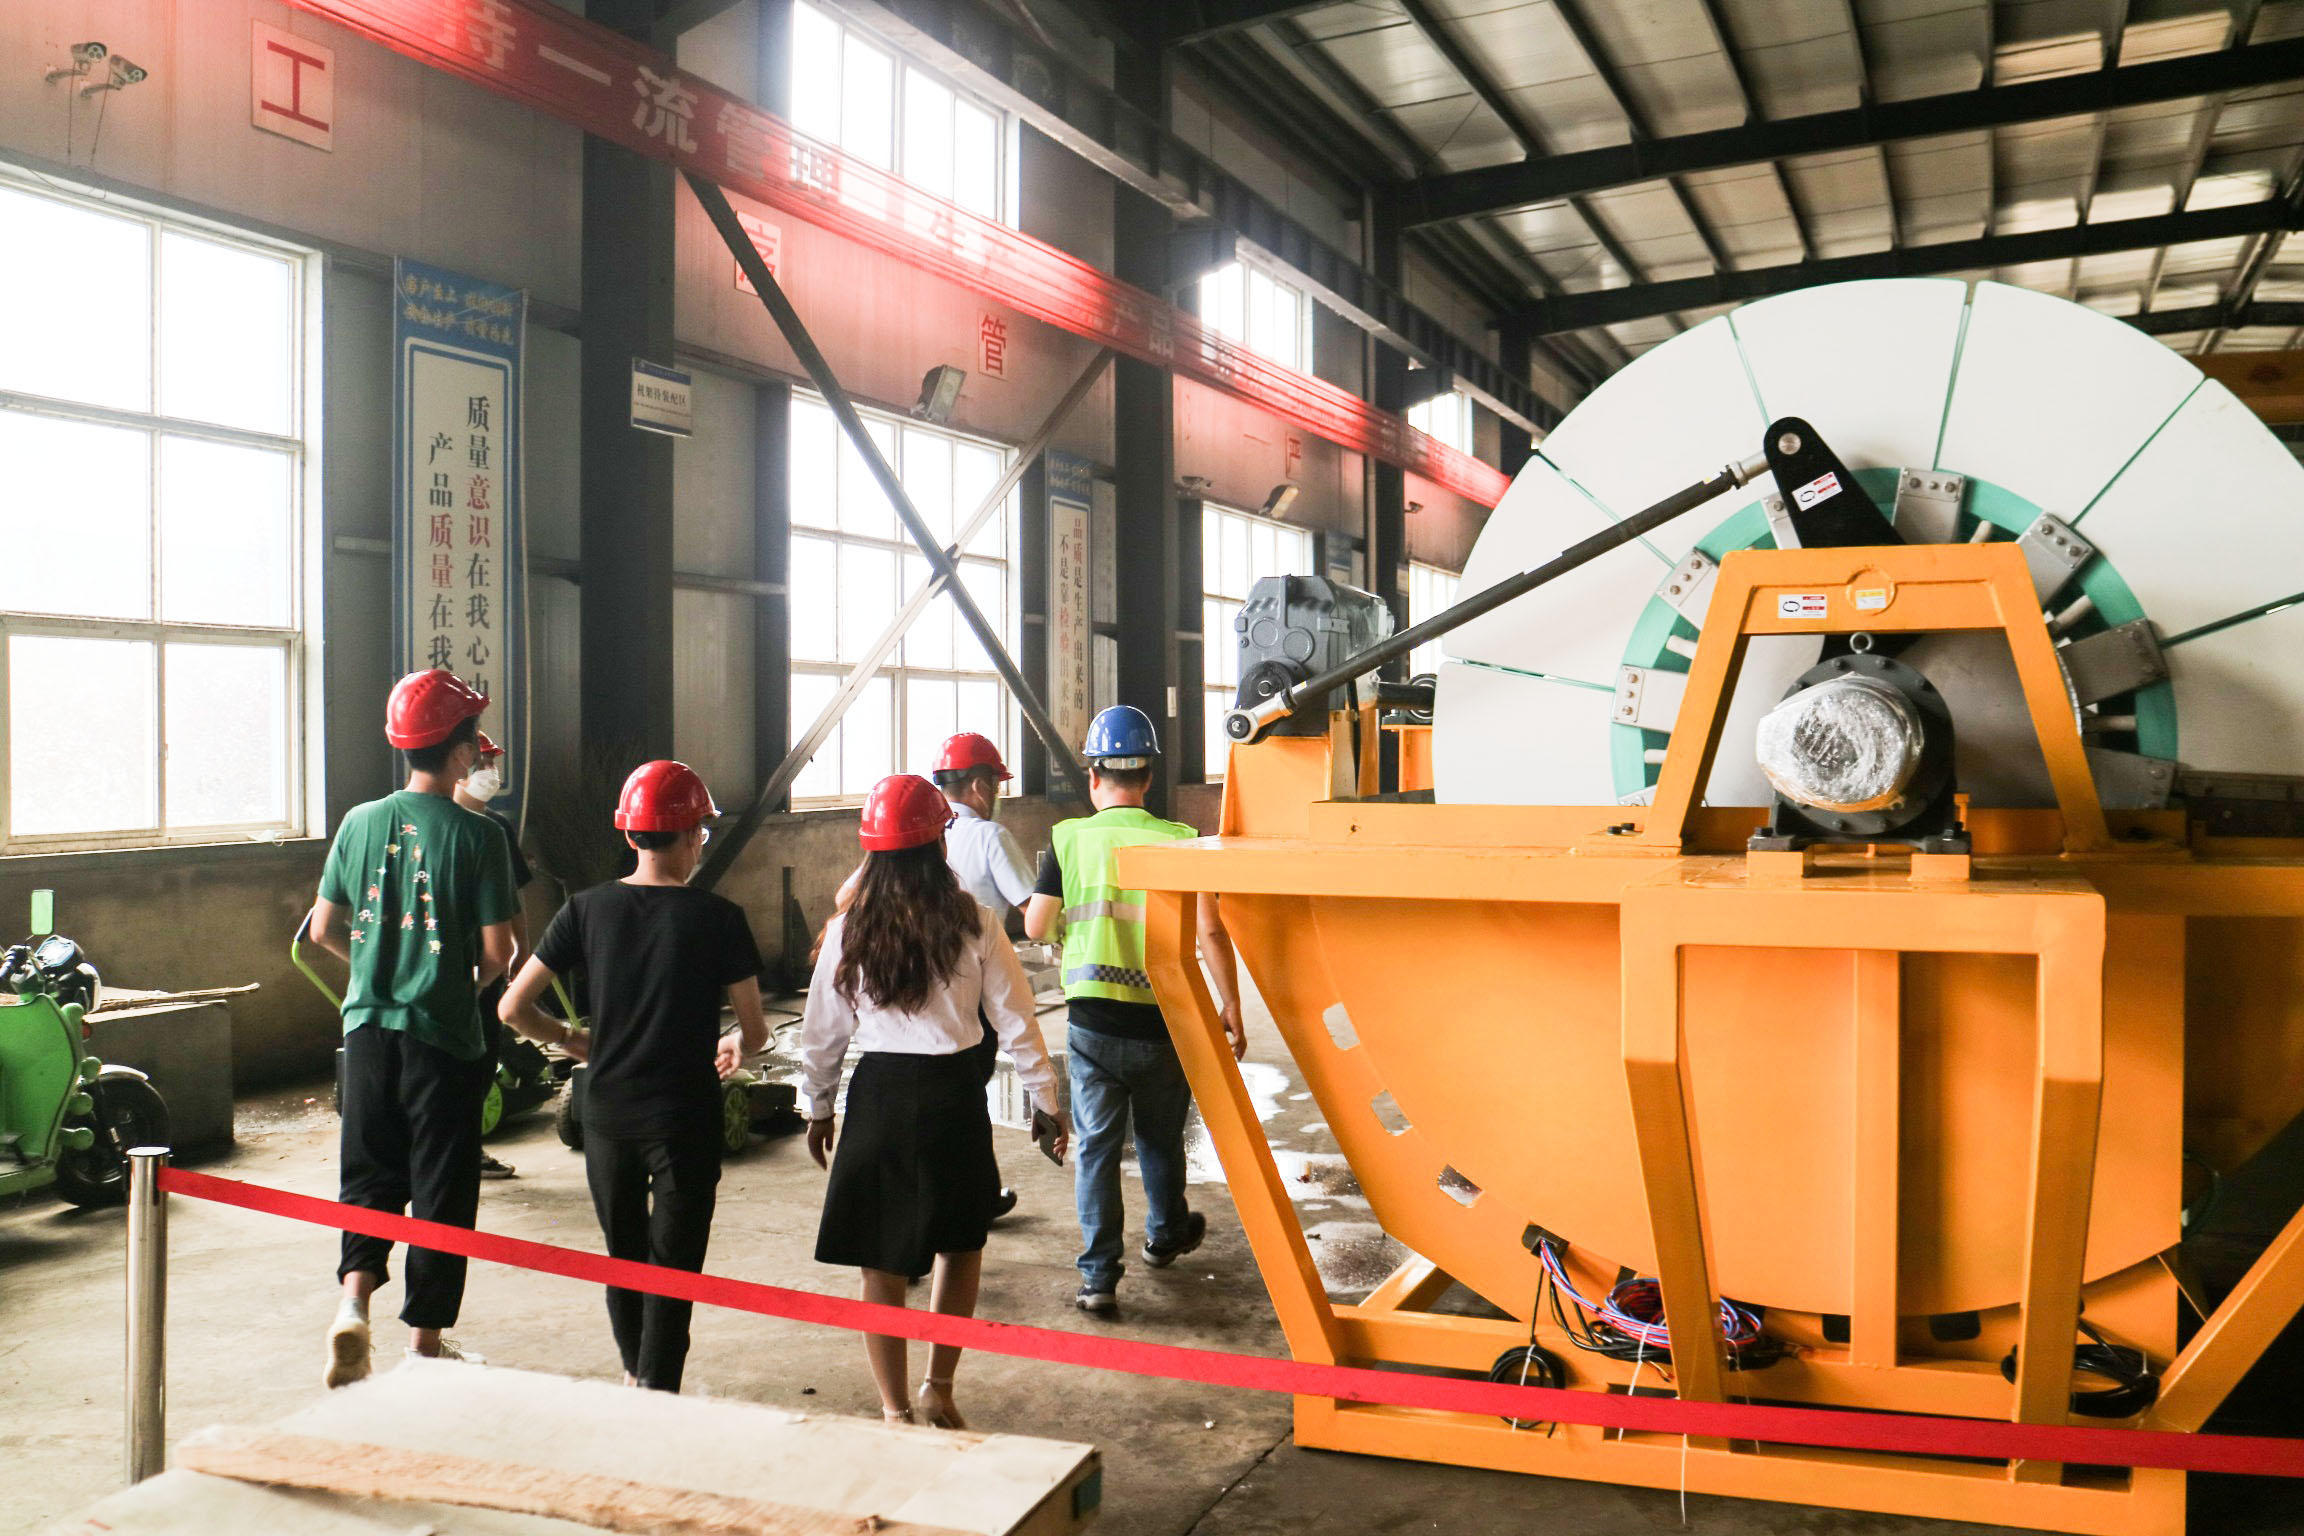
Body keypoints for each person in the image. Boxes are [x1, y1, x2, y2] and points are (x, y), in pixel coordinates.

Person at [802, 774, 1067, 1429]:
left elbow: (821, 1030)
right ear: (937, 843)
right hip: (953, 1097)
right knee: (960, 1246)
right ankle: (937, 1388)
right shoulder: (972, 921)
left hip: (879, 1096)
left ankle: (893, 1410)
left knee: (880, 1260)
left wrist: (818, 1105)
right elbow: (1017, 1019)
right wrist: (1045, 1101)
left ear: (872, 850)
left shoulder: (848, 928)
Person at [498, 760, 767, 1394]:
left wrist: (572, 1039)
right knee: (673, 1271)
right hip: (684, 1117)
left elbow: (513, 1006)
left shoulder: (585, 910)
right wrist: (735, 1044)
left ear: (630, 835)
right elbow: (755, 1033)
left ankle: (632, 1374)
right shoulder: (720, 918)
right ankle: (656, 1390)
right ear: (695, 834)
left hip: (608, 1111)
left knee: (625, 1257)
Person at [308, 669, 521, 1386]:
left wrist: (372, 968)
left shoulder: (359, 822)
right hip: (444, 1037)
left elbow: (323, 930)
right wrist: (461, 985)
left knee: (368, 1170)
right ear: (462, 750)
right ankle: (424, 1345)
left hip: (367, 1030)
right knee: (441, 1185)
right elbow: (501, 952)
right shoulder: (480, 836)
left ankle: (353, 1305)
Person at [1023, 705, 1244, 1316]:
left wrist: (1066, 926)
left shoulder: (1067, 840)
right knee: (1159, 1135)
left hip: (1093, 1021)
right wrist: (1231, 1005)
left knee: (1096, 1146)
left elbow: (1038, 923)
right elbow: (1211, 934)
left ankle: (1098, 1279)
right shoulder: (1179, 840)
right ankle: (1166, 1233)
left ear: (1094, 778)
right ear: (1148, 779)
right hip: (1163, 1019)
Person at [931, 731, 1036, 1220]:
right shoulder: (990, 837)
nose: (994, 794)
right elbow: (1031, 907)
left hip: (923, 987)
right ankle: (971, 1195)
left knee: (940, 1091)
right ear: (976, 785)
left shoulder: (923, 833)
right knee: (970, 1088)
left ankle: (977, 1189)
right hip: (978, 987)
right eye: (993, 783)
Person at [455, 732, 531, 1179]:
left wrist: (522, 950)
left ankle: (468, 1147)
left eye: (492, 762)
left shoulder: (497, 828)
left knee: (483, 1055)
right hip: (451, 962)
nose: (489, 771)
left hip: (490, 964)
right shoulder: (438, 825)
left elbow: (512, 898)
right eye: (481, 762)